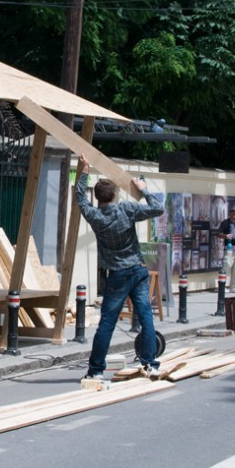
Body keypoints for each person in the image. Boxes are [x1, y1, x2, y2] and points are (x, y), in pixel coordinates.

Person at [74, 154, 165, 380]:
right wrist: (143, 189)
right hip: (137, 269)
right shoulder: (126, 209)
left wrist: (83, 172)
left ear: (98, 198)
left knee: (107, 323)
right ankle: (150, 364)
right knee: (146, 317)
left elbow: (80, 200)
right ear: (114, 195)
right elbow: (158, 208)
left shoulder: (94, 216)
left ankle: (96, 370)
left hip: (116, 274)